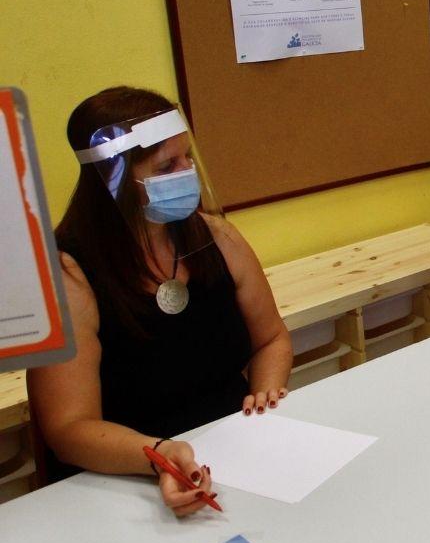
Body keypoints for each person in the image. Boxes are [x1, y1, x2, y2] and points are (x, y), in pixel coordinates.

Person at [26, 87, 292, 517]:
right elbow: (68, 428)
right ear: (113, 180)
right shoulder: (68, 274)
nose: (186, 174)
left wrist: (265, 397)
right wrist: (161, 456)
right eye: (168, 166)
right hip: (123, 482)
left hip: (234, 457)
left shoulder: (215, 237)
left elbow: (271, 338)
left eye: (188, 158)